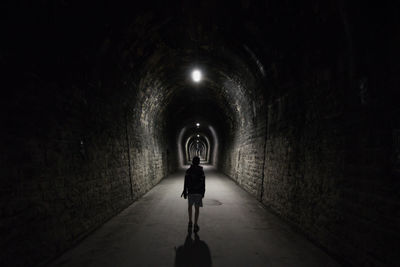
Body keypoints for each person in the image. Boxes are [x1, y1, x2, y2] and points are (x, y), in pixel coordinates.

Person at [181, 156, 205, 233]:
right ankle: (195, 224)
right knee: (197, 208)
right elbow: (203, 183)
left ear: (192, 162)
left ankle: (190, 221)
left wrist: (185, 192)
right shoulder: (201, 171)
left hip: (190, 192)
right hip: (198, 192)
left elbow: (185, 182)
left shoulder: (188, 171)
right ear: (198, 162)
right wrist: (203, 192)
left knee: (190, 207)